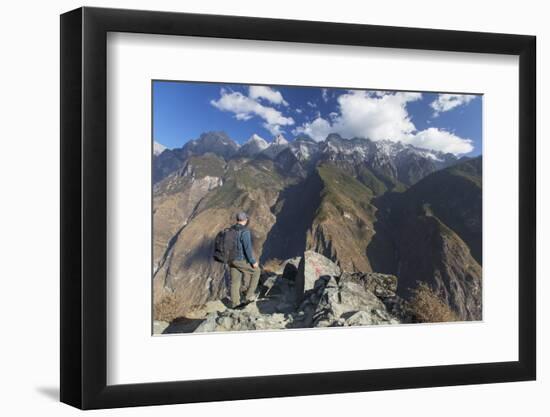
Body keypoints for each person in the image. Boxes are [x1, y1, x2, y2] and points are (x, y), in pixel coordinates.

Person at [229, 211, 261, 308]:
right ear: (245, 220)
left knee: (235, 281)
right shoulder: (245, 231)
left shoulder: (230, 229)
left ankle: (235, 304)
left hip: (230, 260)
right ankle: (249, 296)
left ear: (237, 220)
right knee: (256, 272)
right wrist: (252, 261)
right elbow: (247, 248)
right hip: (240, 259)